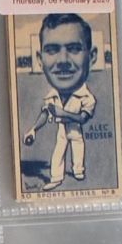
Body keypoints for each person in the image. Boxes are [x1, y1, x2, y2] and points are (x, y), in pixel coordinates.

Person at [22, 13, 97, 191]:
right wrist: (33, 129)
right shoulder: (52, 95)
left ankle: (78, 171)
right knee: (58, 152)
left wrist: (63, 113)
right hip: (63, 131)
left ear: (92, 57)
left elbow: (83, 119)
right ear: (40, 60)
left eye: (74, 48)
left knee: (78, 153)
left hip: (75, 132)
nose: (63, 60)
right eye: (52, 50)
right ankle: (56, 178)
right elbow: (45, 113)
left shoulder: (87, 97)